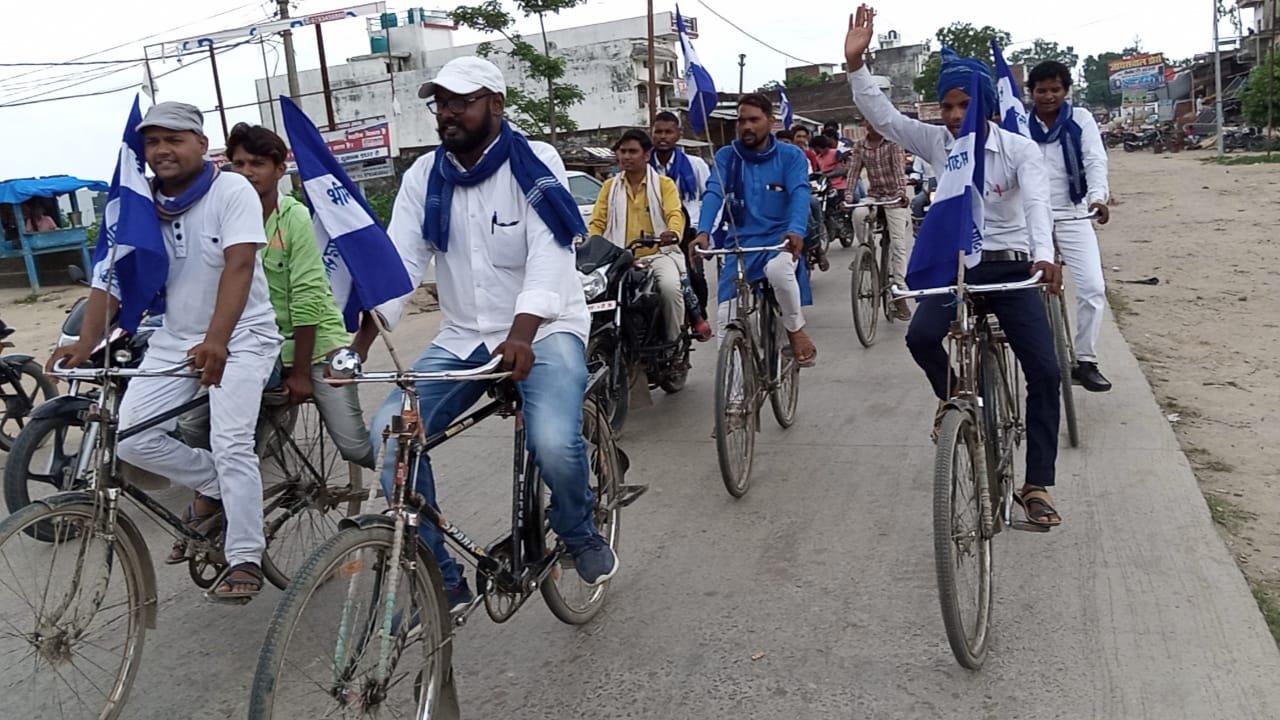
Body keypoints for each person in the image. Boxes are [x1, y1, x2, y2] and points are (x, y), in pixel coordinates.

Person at [351, 56, 618, 610]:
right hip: (464, 337)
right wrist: (358, 346)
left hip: (544, 330)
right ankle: (442, 579)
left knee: (552, 441)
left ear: (495, 104)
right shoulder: (424, 176)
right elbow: (400, 263)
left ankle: (576, 528)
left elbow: (551, 256)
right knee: (391, 438)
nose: (447, 113)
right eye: (440, 103)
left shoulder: (533, 162)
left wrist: (522, 334)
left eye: (461, 101)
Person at [48, 101, 282, 599]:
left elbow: (239, 267)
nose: (162, 150)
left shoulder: (231, 189)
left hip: (243, 336)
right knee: (131, 438)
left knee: (231, 439)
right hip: (175, 338)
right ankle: (220, 485)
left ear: (201, 143)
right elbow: (108, 278)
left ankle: (245, 555)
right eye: (152, 141)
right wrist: (83, 343)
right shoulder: (137, 204)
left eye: (174, 139)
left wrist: (218, 340)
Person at [845, 5, 1064, 527]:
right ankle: (952, 401)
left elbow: (1036, 204)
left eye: (963, 105)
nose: (953, 115)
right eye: (946, 106)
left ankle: (1037, 484)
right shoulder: (938, 143)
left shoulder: (1019, 149)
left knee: (1046, 372)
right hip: (955, 267)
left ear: (984, 103)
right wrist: (855, 64)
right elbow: (886, 119)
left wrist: (1044, 256)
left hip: (1009, 268)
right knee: (920, 338)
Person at [176, 123, 376, 468]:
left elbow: (308, 296)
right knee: (191, 424)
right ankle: (219, 489)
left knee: (354, 446)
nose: (247, 172)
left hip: (315, 347)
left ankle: (397, 498)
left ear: (280, 171)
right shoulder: (220, 216)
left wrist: (299, 373)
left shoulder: (294, 217)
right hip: (257, 346)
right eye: (238, 164)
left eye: (257, 164)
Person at [689, 93, 817, 367]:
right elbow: (714, 192)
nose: (746, 126)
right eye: (741, 120)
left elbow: (799, 193)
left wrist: (796, 230)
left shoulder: (790, 155)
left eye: (754, 120)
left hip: (780, 242)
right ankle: (734, 399)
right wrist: (703, 232)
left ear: (770, 122)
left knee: (778, 272)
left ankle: (795, 331)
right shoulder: (727, 156)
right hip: (741, 245)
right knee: (726, 319)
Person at [1027, 60, 1113, 392]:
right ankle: (1040, 358)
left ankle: (1086, 361)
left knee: (1093, 288)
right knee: (1027, 293)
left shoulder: (1081, 120)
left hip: (1074, 213)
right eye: (1041, 90)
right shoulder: (1019, 124)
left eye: (1055, 90)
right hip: (1031, 218)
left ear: (1066, 91)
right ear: (1031, 92)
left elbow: (1094, 159)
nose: (1048, 96)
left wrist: (1098, 197)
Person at [588, 128, 710, 342]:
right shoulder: (610, 186)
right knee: (595, 294)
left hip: (658, 255)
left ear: (646, 155)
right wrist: (590, 244)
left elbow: (675, 213)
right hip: (620, 258)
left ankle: (672, 345)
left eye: (632, 151)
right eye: (623, 151)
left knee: (670, 288)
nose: (626, 156)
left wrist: (672, 232)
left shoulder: (664, 185)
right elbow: (598, 222)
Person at [650, 110, 713, 330]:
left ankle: (697, 319)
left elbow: (711, 197)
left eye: (668, 132)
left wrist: (706, 231)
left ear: (678, 134)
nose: (663, 137)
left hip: (689, 231)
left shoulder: (696, 165)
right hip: (655, 232)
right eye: (658, 132)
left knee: (694, 278)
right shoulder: (644, 166)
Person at [846, 123, 914, 319]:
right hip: (874, 196)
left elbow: (900, 172)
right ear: (865, 124)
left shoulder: (893, 142)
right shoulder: (860, 146)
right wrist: (848, 196)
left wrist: (901, 193)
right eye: (868, 121)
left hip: (894, 197)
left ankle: (899, 290)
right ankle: (866, 252)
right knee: (858, 213)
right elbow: (853, 173)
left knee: (899, 245)